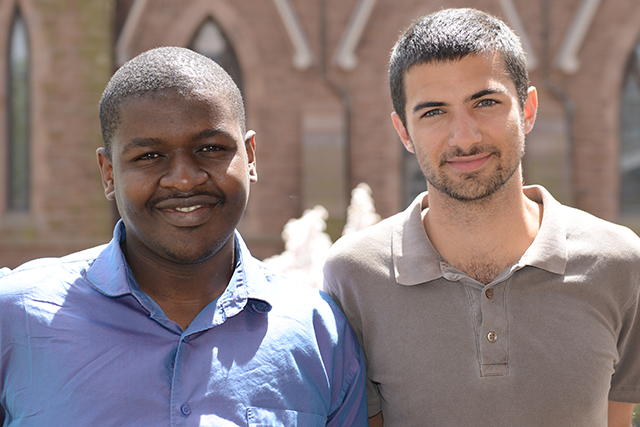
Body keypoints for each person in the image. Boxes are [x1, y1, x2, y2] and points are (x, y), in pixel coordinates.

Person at [0, 46, 368, 426]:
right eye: (149, 156)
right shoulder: (16, 318)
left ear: (250, 156)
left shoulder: (321, 333)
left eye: (210, 149)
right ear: (109, 174)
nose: (184, 178)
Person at [323, 8, 640, 427]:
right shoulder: (355, 276)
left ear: (527, 110)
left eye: (486, 102)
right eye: (433, 112)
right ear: (403, 132)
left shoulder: (619, 263)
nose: (465, 137)